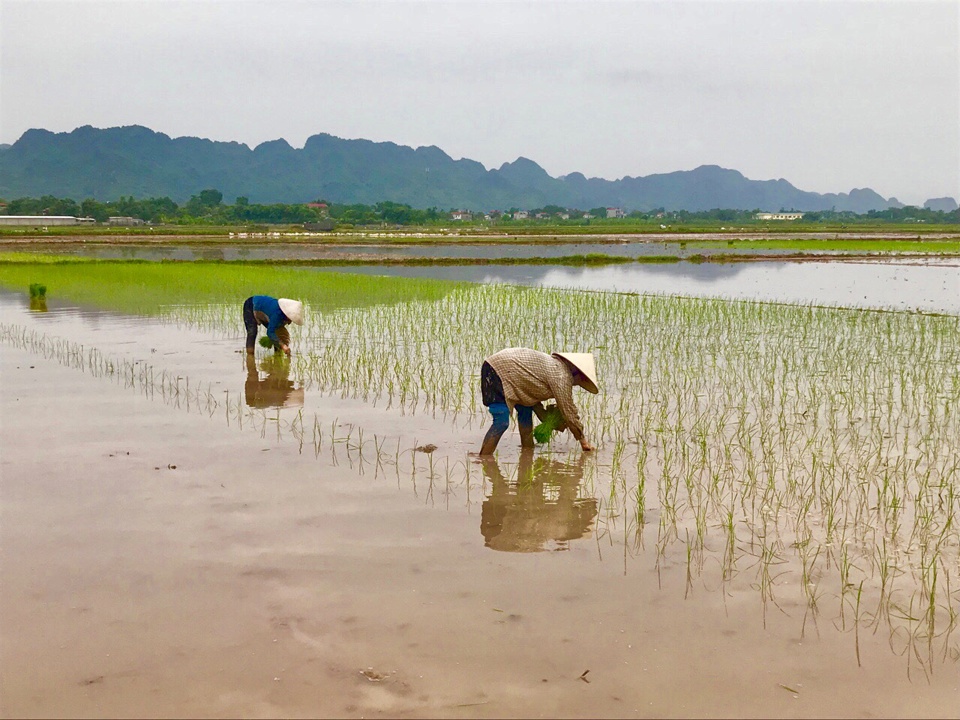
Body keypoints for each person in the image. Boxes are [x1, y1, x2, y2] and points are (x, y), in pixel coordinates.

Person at [478, 347, 599, 455]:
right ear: (576, 373)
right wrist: (583, 441)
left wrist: (546, 417)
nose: (577, 383)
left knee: (526, 412)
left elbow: (533, 397)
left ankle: (527, 451)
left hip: (517, 380)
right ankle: (484, 458)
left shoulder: (555, 366)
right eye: (581, 380)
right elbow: (569, 412)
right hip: (496, 370)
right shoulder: (562, 376)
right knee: (501, 422)